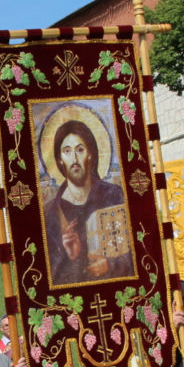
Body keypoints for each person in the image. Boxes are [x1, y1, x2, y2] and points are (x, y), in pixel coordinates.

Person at [42, 118, 130, 285]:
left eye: (80, 150)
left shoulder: (113, 196)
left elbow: (135, 250)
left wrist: (110, 265)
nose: (74, 159)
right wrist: (72, 257)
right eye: (67, 151)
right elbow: (51, 281)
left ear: (90, 153)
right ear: (59, 158)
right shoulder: (51, 214)